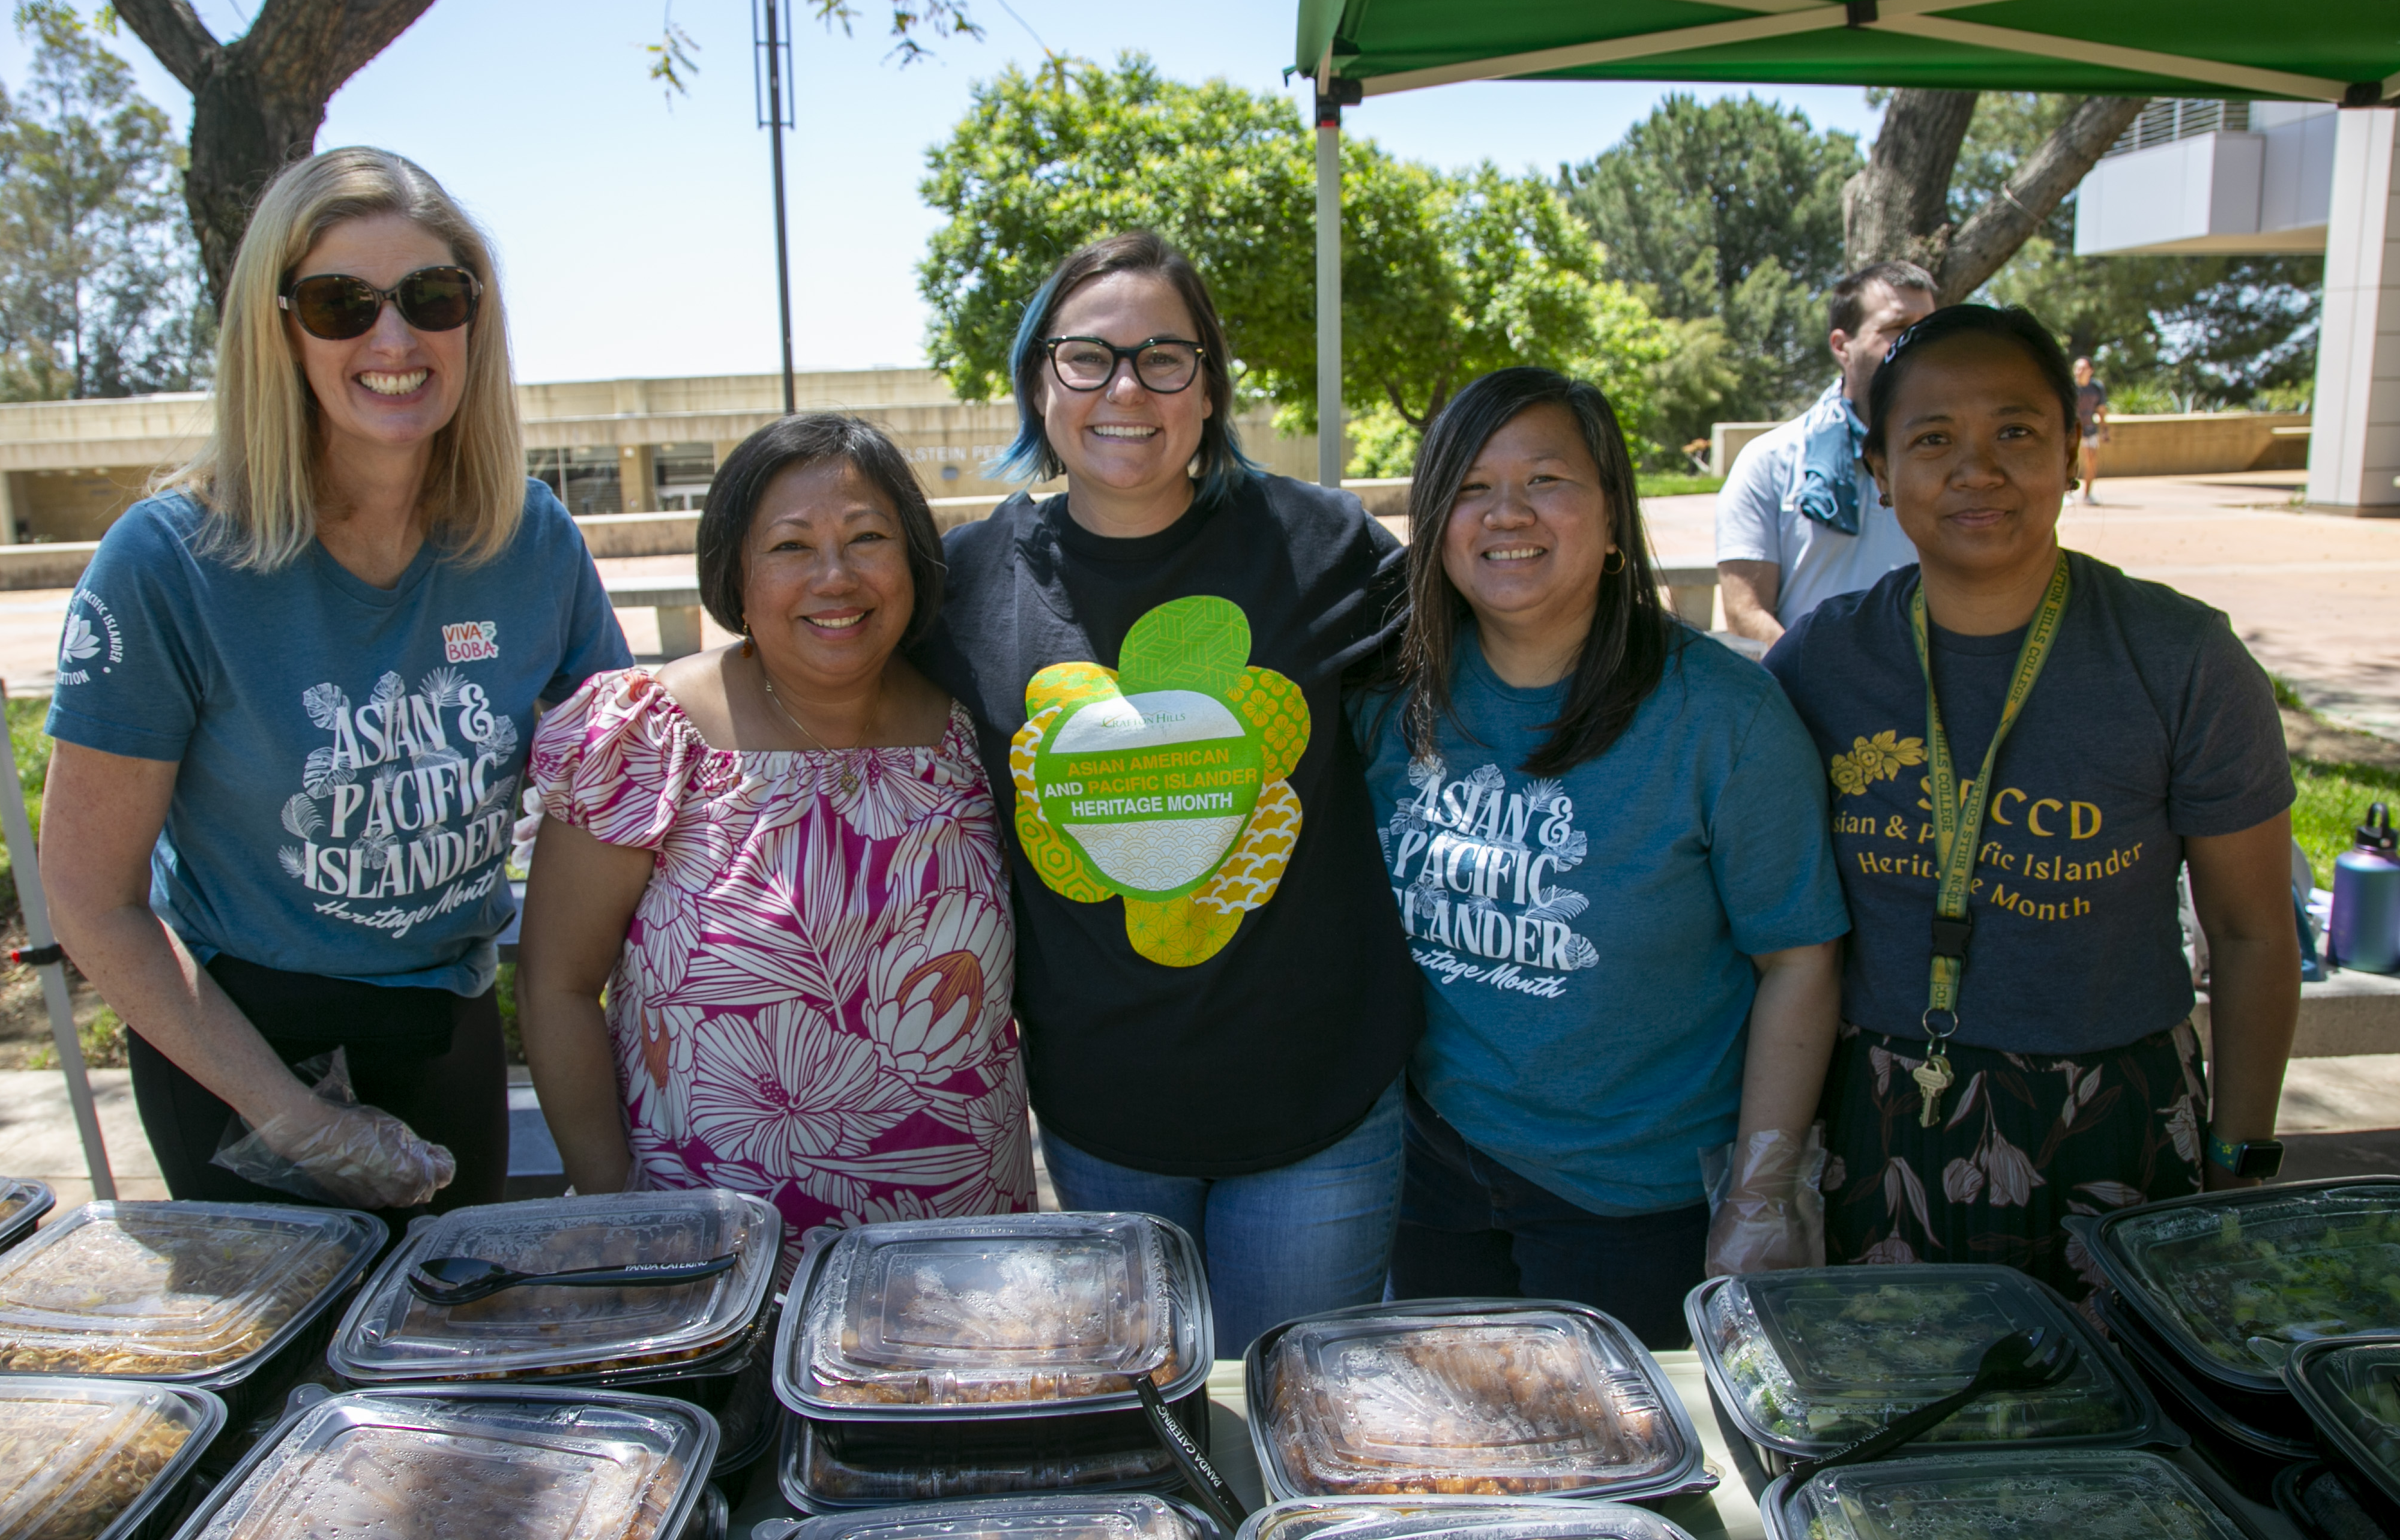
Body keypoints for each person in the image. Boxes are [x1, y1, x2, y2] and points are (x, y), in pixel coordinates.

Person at [38, 147, 631, 1214]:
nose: (393, 338)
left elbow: (629, 776)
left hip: (445, 1023)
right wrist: (294, 1118)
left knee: (452, 1364)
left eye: (430, 297)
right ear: (281, 331)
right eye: (340, 303)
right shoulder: (168, 562)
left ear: (473, 320)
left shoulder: (529, 541)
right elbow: (92, 901)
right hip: (236, 1048)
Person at [914, 230, 1423, 1356]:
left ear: (1209, 389)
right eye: (1087, 357)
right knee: (1149, 1433)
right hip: (1103, 1115)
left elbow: (1491, 654)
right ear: (1038, 382)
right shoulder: (965, 582)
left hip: (1320, 1107)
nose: (1125, 388)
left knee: (1299, 1435)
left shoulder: (1321, 544)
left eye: (1163, 358)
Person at [1765, 304, 2300, 1301]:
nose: (1976, 470)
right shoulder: (1817, 663)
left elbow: (2249, 931)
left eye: (2014, 432)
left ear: (2070, 448)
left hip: (2115, 1117)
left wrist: (2239, 1152)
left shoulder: (2180, 659)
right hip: (1874, 1121)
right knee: (1892, 1416)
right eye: (1931, 440)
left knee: (2117, 1432)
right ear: (1878, 471)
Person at [1352, 368, 1847, 1346]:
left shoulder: (1721, 716)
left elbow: (1798, 959)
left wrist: (1759, 1192)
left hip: (1636, 1205)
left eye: (1545, 480)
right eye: (1468, 486)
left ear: (1613, 515)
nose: (1505, 515)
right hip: (1433, 1179)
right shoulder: (1385, 699)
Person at [516, 414, 1033, 1229]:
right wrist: (619, 1208)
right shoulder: (648, 737)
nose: (835, 576)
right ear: (736, 574)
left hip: (955, 1238)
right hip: (713, 1256)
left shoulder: (976, 730)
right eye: (791, 547)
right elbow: (559, 987)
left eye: (868, 538)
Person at [1717, 261, 1937, 644]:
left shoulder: (1961, 464)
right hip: (1810, 695)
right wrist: (1821, 679)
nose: (1919, 341)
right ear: (1841, 346)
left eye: (1928, 326)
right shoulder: (1769, 461)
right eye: (1897, 328)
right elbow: (1744, 611)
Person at [2073, 356, 2109, 504]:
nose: (2080, 371)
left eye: (2083, 368)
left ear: (2091, 371)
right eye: (2077, 368)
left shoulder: (2097, 388)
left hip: (2089, 429)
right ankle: (2067, 494)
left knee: (2092, 461)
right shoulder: (2069, 387)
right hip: (2071, 430)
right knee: (2069, 461)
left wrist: (2105, 430)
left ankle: (2087, 495)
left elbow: (2101, 410)